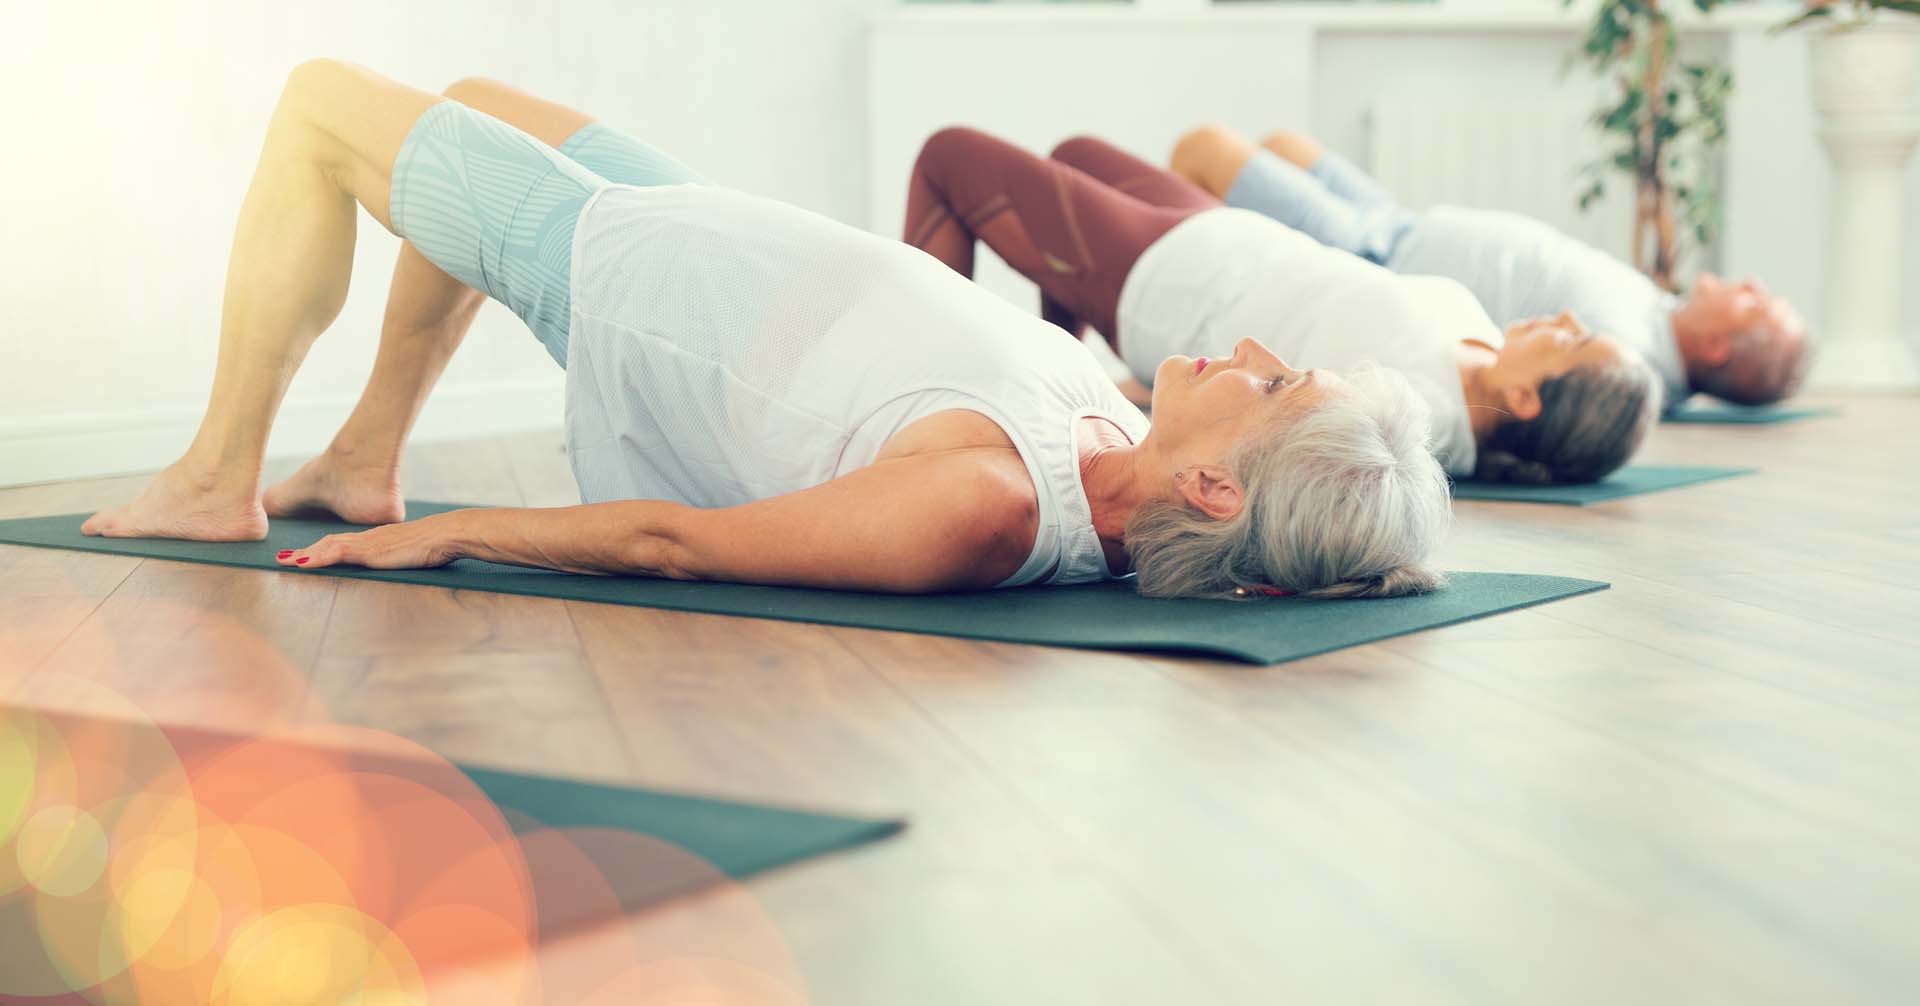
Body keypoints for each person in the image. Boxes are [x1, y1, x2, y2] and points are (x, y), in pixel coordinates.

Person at [82, 62, 1451, 599]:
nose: (1249, 353)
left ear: (1215, 484)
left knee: (319, 107)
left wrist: (448, 533)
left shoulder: (982, 504)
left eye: (1268, 385)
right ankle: (366, 446)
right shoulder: (1114, 440)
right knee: (468, 97)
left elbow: (675, 541)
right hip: (706, 224)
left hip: (631, 280)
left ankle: (215, 475)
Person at [905, 128, 1659, 485]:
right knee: (1074, 153)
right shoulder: (1485, 350)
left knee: (949, 160)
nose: (1565, 321)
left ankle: (929, 410)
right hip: (1232, 239)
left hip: (1180, 285)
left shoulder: (1417, 413)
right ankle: (1049, 382)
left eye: (1571, 343)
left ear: (1525, 398)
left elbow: (1289, 445)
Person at [1169, 124, 1811, 412]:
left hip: (1375, 254)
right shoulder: (1656, 320)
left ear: (1720, 346)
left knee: (1203, 149)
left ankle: (1171, 267)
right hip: (1403, 222)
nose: (1752, 284)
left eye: (1757, 303)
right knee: (1284, 144)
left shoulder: (1629, 359)